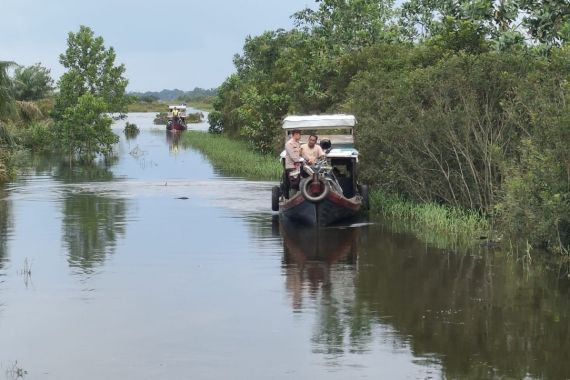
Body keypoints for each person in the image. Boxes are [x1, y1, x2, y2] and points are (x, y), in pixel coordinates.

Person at [284, 129, 302, 198]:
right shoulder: (289, 144)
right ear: (295, 135)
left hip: (297, 167)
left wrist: (308, 159)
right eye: (299, 134)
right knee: (294, 183)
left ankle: (297, 197)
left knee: (298, 183)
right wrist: (300, 161)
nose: (300, 136)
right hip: (291, 166)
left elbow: (301, 153)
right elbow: (293, 156)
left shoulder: (298, 143)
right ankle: (291, 199)